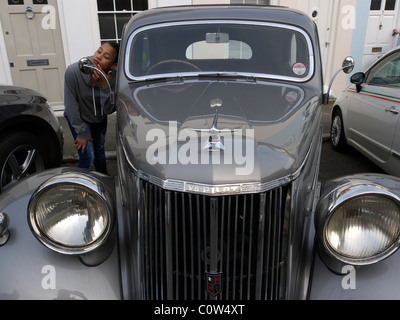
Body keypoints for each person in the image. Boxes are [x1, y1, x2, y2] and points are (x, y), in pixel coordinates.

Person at [64, 41, 119, 175]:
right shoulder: (73, 72)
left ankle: (105, 182)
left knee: (99, 152)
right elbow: (71, 106)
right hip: (79, 118)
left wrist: (104, 85)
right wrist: (81, 133)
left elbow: (108, 110)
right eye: (99, 51)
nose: (99, 57)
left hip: (99, 118)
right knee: (88, 156)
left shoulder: (115, 76)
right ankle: (81, 188)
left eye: (106, 57)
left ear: (113, 65)